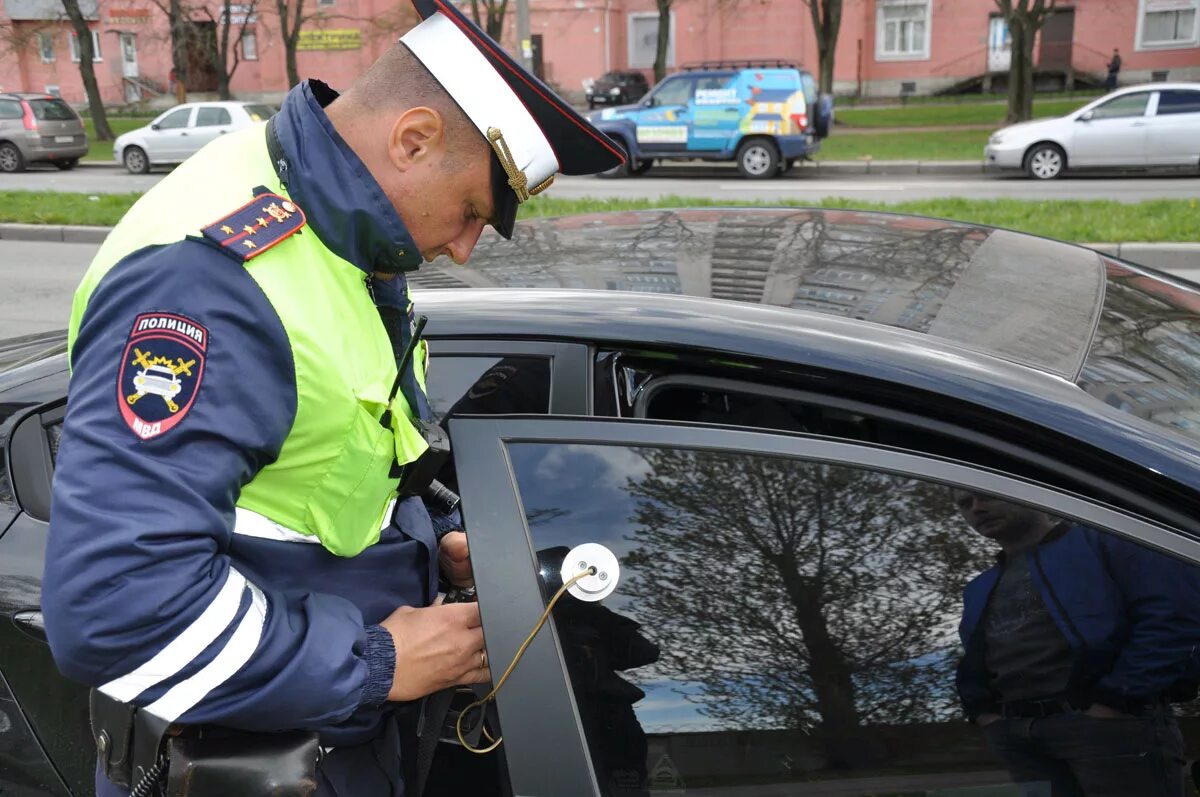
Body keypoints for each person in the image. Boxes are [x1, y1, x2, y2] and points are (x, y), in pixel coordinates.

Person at [40, 0, 624, 793]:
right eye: (473, 212)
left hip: (321, 743)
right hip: (253, 762)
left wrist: (444, 537)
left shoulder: (327, 221)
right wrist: (378, 662)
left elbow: (340, 462)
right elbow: (116, 609)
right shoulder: (212, 283)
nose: (462, 246)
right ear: (412, 139)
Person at [953, 489, 1200, 797]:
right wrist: (984, 713)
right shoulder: (978, 588)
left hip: (1107, 728)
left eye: (986, 495)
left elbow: (1172, 617)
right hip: (1017, 734)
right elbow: (976, 659)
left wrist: (1116, 701)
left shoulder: (1105, 542)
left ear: (1030, 494)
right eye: (965, 503)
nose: (977, 508)